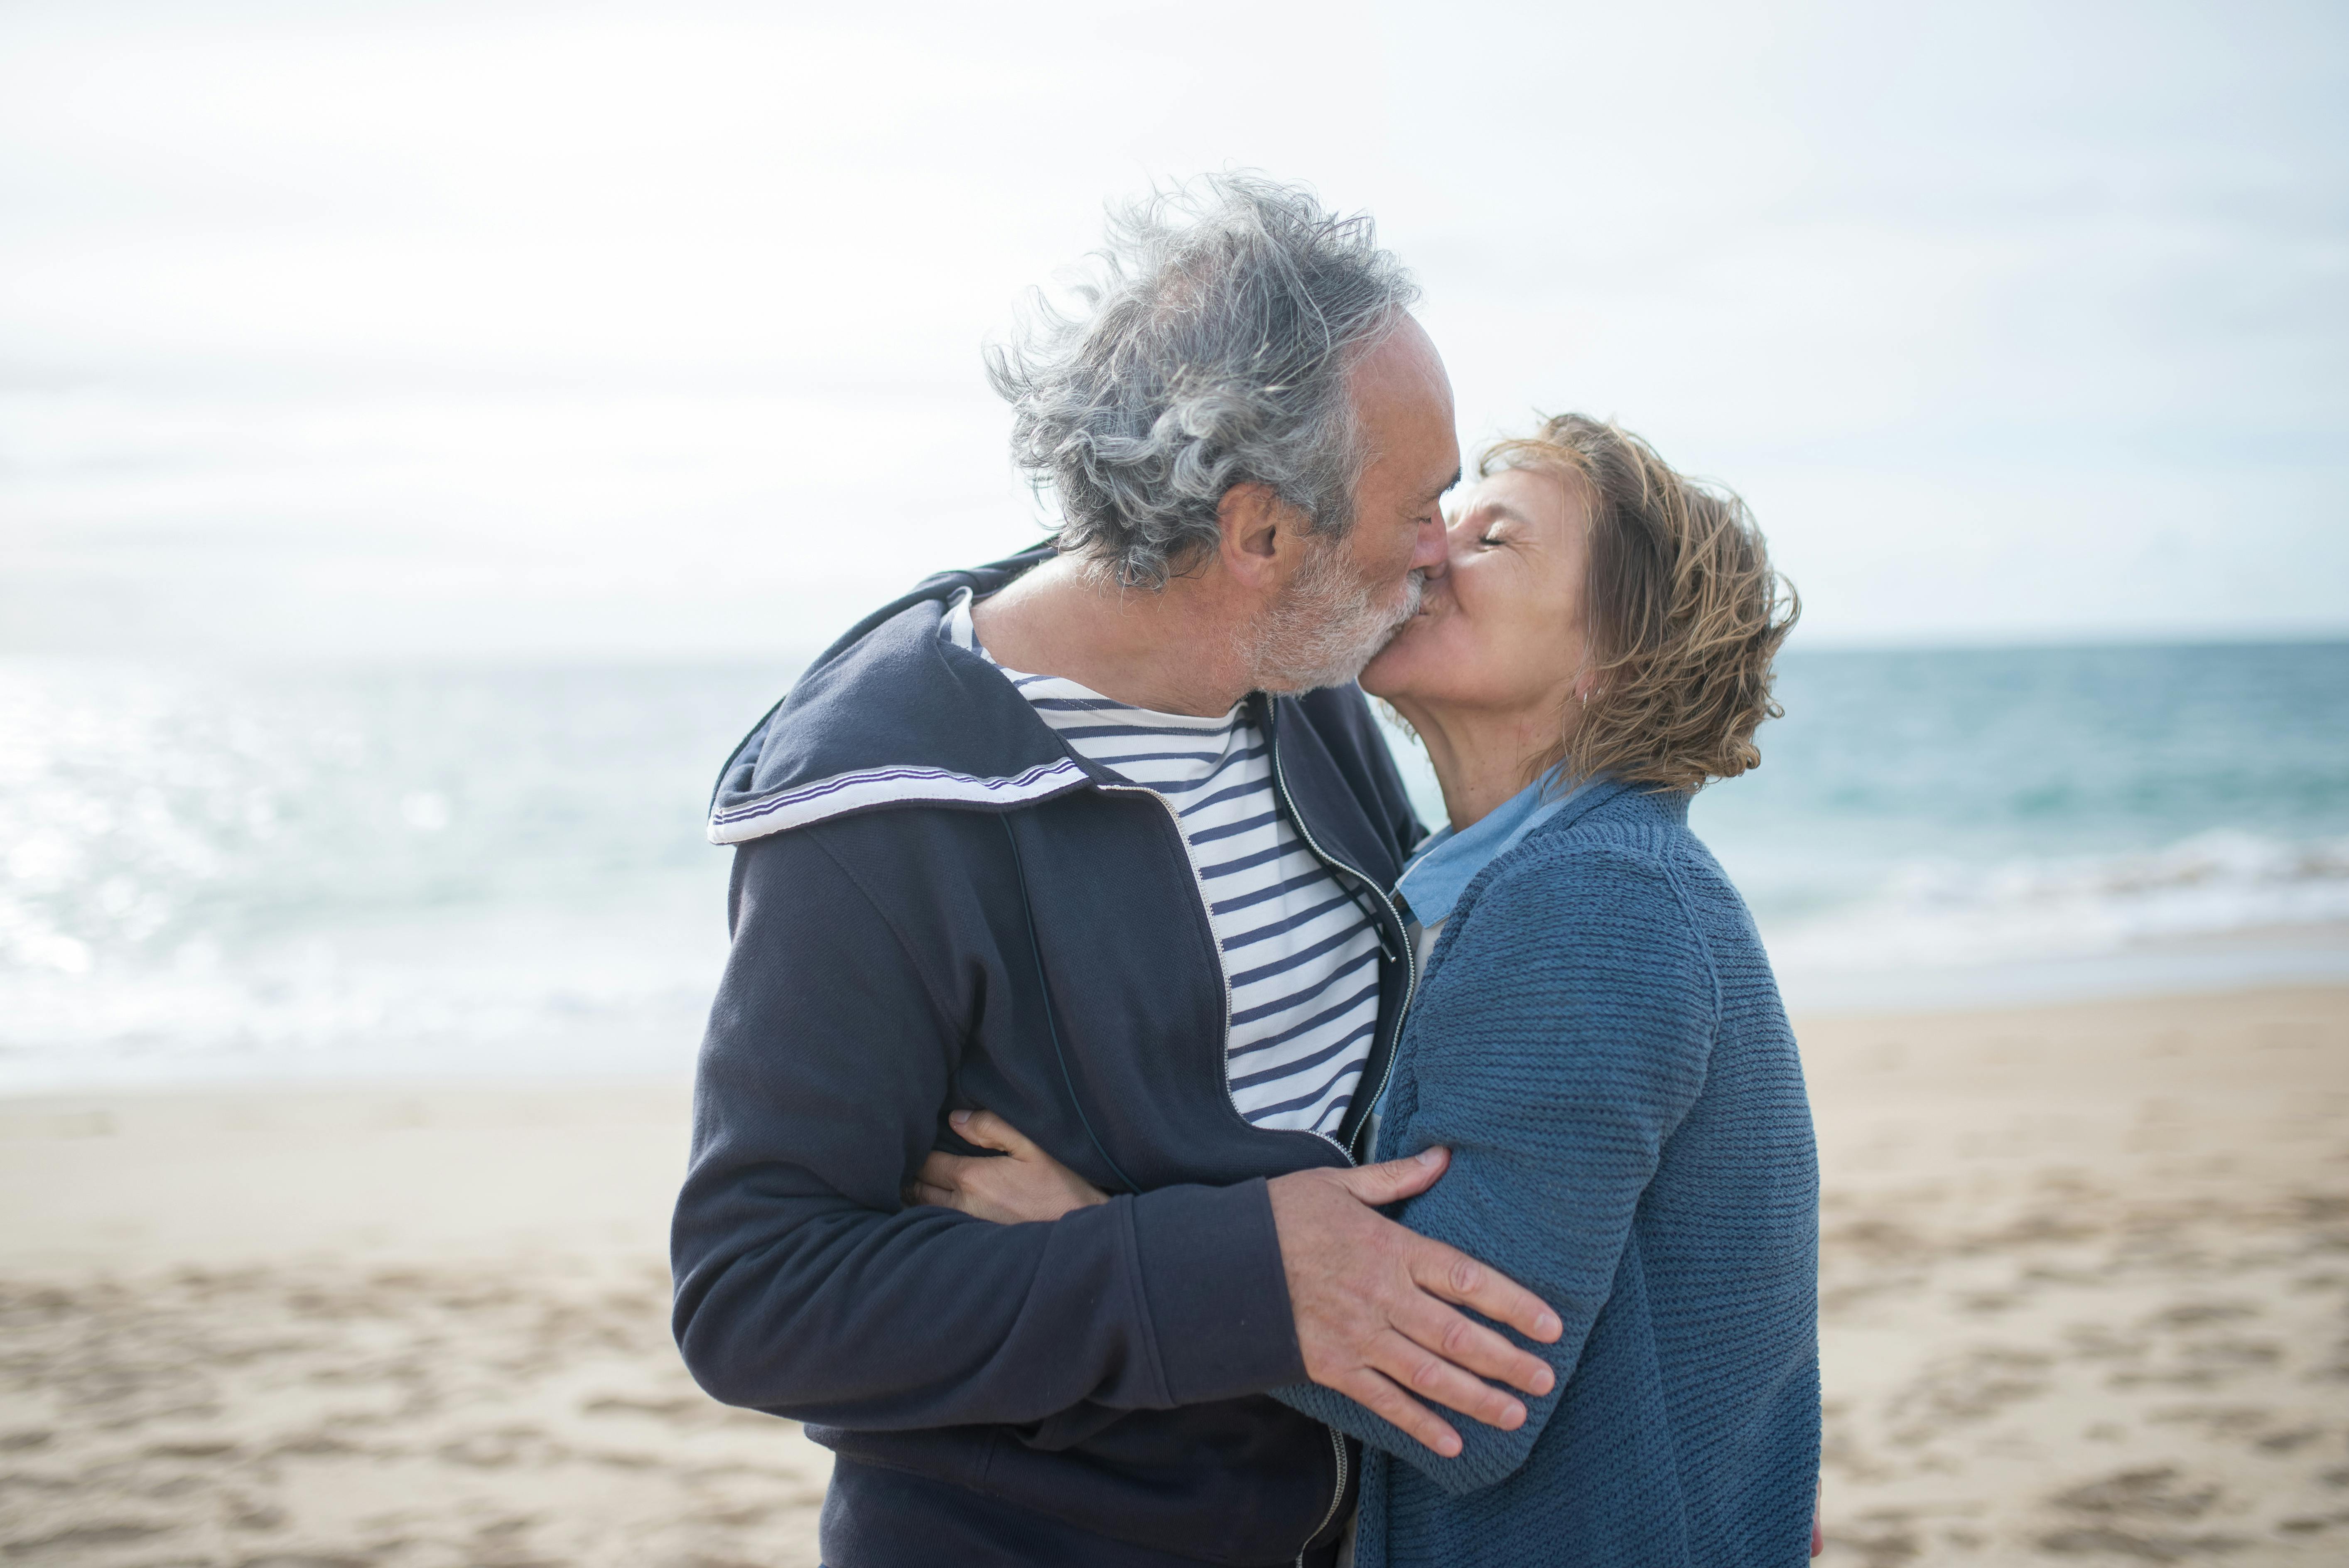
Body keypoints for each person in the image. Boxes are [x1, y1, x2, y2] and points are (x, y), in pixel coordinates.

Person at [668, 175, 1565, 1568]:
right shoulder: (873, 808)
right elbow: (758, 1299)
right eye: (1423, 504)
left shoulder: (1296, 674)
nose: (1441, 551)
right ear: (1261, 534)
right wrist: (1225, 1280)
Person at [914, 415, 1821, 1564]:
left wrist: (1095, 1241)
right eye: (1451, 517)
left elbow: (1459, 1395)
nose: (1433, 547)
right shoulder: (1521, 878)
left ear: (1617, 660)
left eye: (1496, 538)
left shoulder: (1595, 904)